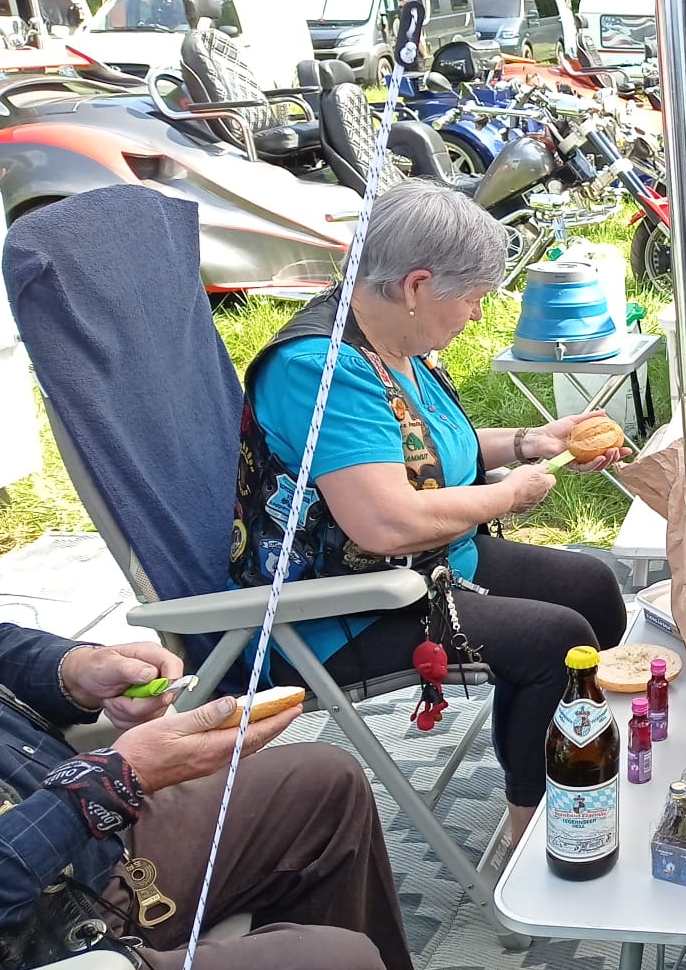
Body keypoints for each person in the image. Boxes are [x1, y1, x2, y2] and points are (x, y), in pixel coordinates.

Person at [231, 179, 630, 852]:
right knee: (553, 641)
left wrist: (533, 442)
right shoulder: (321, 368)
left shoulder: (391, 341)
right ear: (417, 285)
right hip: (338, 607)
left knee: (590, 586)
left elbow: (427, 454)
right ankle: (536, 836)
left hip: (426, 565)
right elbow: (385, 521)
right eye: (473, 297)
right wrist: (506, 496)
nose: (477, 314)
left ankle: (570, 758)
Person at [0, 613, 422, 970]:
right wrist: (101, 790)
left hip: (72, 845)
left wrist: (76, 670)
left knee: (323, 782)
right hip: (22, 962)